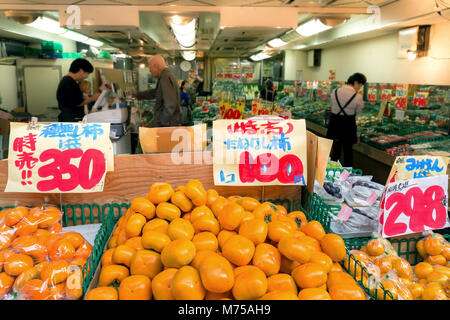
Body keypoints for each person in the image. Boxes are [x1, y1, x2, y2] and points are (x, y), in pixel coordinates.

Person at [326, 72, 367, 167]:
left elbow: (332, 105)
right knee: (348, 151)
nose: (359, 88)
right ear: (356, 83)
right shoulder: (357, 97)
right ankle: (348, 174)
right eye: (360, 86)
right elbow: (358, 110)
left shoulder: (335, 91)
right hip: (348, 125)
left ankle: (332, 171)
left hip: (334, 123)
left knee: (335, 150)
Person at [131, 55, 181, 127]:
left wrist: (164, 120)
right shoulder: (164, 76)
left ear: (156, 66)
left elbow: (170, 105)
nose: (150, 71)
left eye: (150, 68)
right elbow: (155, 93)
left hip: (167, 124)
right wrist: (138, 94)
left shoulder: (165, 77)